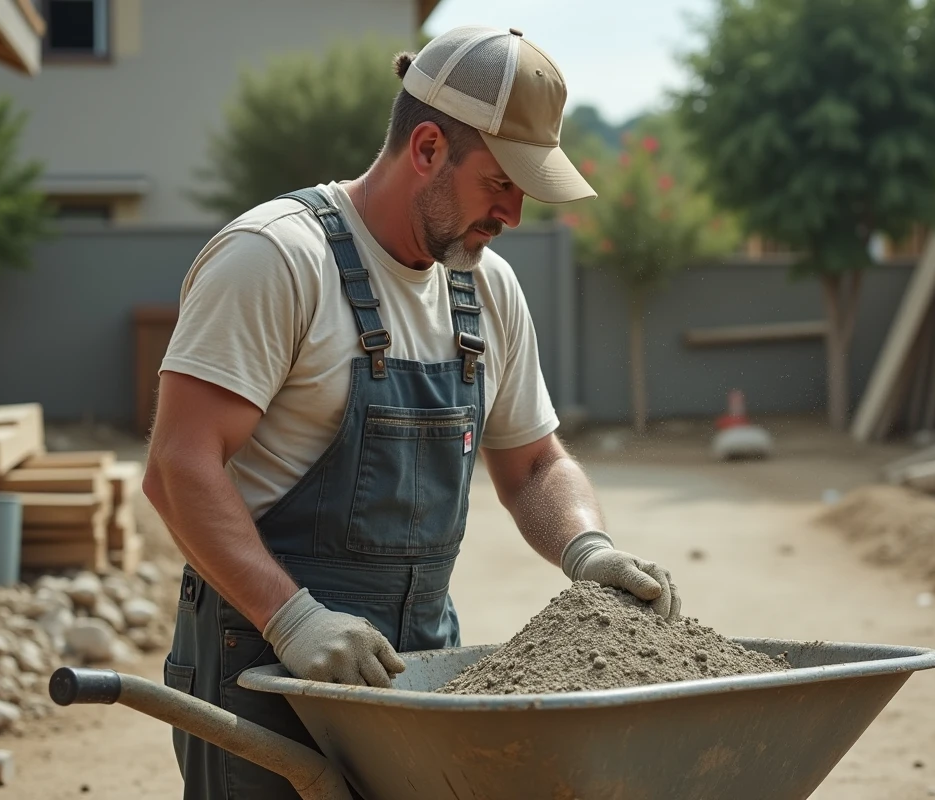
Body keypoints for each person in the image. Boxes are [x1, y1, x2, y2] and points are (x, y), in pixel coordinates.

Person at [142, 23, 682, 799]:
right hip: (260, 665)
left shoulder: (486, 290)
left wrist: (588, 551)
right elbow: (178, 467)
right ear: (427, 147)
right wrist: (294, 619)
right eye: (500, 183)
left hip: (418, 669)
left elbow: (534, 464)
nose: (515, 216)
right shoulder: (277, 259)